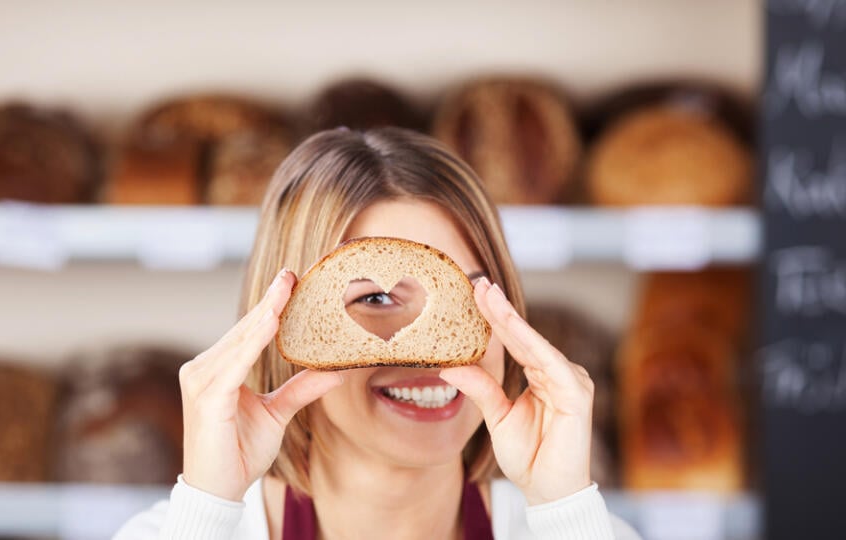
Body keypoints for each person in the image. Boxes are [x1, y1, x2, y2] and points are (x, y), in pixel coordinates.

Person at [114, 128, 640, 539]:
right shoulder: (177, 533)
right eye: (375, 298)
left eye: (467, 296)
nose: (431, 354)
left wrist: (565, 510)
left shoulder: (581, 531)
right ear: (283, 324)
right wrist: (208, 508)